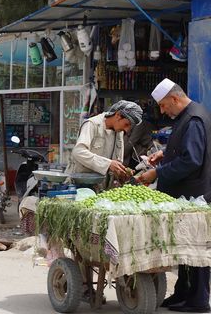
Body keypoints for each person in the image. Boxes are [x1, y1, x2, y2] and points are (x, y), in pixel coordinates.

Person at [137, 78, 211, 313]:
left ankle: (198, 300)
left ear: (175, 98)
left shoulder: (194, 119)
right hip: (187, 195)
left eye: (163, 105)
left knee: (195, 249)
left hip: (194, 195)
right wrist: (165, 155)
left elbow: (192, 160)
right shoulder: (188, 116)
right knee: (184, 248)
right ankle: (183, 293)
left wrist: (156, 173)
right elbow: (185, 150)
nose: (162, 110)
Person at [65, 100, 143, 188]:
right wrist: (108, 164)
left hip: (100, 187)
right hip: (79, 185)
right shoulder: (92, 124)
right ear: (118, 115)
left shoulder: (118, 132)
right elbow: (78, 152)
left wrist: (121, 173)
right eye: (126, 124)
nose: (127, 130)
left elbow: (116, 162)